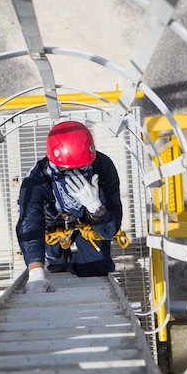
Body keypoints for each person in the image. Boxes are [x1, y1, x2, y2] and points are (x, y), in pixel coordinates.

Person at [16, 120, 123, 293]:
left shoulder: (103, 167)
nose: (76, 175)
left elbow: (111, 228)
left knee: (97, 267)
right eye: (67, 170)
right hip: (53, 226)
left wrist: (96, 208)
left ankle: (76, 265)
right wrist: (36, 273)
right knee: (54, 262)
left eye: (82, 168)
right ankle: (59, 262)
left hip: (88, 222)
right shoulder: (36, 180)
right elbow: (30, 224)